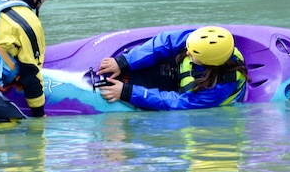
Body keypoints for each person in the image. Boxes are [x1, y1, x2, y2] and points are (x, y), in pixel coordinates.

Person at [97, 26, 250, 110]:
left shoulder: (216, 91)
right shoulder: (200, 39)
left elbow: (176, 103)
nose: (188, 51)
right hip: (183, 71)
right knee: (159, 55)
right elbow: (165, 42)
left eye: (193, 53)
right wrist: (125, 62)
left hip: (183, 93)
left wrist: (128, 92)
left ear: (207, 63)